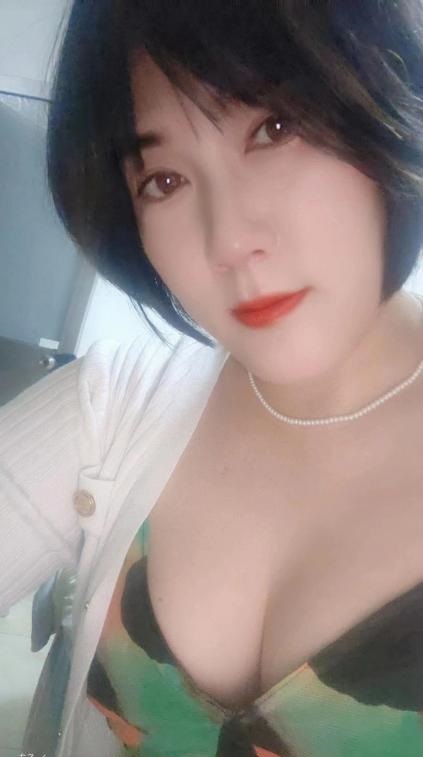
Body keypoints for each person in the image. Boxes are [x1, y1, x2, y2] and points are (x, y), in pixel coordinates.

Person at [2, 1, 423, 755]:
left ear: (379, 99)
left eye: (275, 128)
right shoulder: (114, 406)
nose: (227, 239)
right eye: (163, 180)